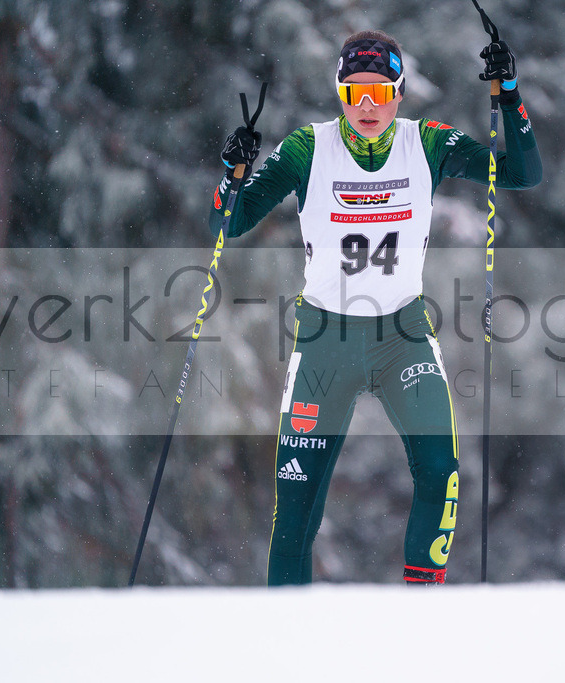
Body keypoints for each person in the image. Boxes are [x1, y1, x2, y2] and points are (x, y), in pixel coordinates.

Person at [209, 29, 541, 585]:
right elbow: (229, 222)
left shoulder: (428, 143)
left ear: (400, 92)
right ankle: (286, 645)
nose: (367, 106)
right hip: (324, 342)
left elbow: (522, 173)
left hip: (401, 336)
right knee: (294, 515)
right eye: (354, 93)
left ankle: (419, 618)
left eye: (381, 92)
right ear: (339, 93)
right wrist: (232, 175)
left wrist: (509, 93)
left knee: (441, 472)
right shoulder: (306, 149)